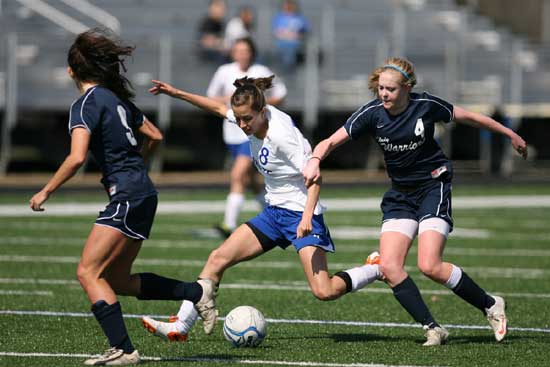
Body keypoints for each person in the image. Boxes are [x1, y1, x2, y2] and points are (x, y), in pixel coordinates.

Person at [302, 57, 528, 346]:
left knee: (429, 265)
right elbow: (330, 141)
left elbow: (470, 117)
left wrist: (509, 133)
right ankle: (433, 328)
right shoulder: (372, 113)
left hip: (433, 186)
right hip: (400, 195)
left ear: (407, 88)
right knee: (390, 267)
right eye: (381, 88)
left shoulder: (425, 106)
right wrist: (315, 159)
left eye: (391, 89)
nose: (384, 94)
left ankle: (490, 304)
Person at [141, 76, 382, 340]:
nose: (242, 125)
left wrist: (306, 218)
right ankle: (181, 326)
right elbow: (218, 108)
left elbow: (315, 178)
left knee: (324, 291)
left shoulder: (282, 137)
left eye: (247, 119)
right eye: (239, 119)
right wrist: (176, 92)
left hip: (302, 215)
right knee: (217, 258)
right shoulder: (248, 117)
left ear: (262, 112)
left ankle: (375, 268)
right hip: (274, 213)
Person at [29, 28, 216, 365]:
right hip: (142, 192)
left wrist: (46, 190)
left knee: (88, 273)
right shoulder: (117, 100)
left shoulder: (84, 104)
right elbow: (155, 135)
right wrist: (136, 165)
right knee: (116, 279)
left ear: (72, 71)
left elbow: (76, 157)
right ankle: (196, 292)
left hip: (128, 195)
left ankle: (124, 350)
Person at [206, 37, 287, 237]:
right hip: (232, 132)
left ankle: (228, 224)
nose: (242, 54)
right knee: (250, 180)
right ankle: (276, 216)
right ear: (233, 52)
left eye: (246, 50)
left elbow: (281, 93)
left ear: (252, 52)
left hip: (251, 133)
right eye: (238, 50)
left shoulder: (260, 71)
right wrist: (231, 99)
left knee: (237, 174)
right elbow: (211, 97)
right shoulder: (224, 71)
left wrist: (260, 106)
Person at [271, 0, 309, 69]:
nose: (289, 7)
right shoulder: (279, 18)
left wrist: (291, 35)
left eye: (290, 5)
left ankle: (289, 72)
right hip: (281, 44)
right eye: (287, 5)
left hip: (296, 45)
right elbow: (277, 33)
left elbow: (304, 32)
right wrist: (290, 34)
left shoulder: (300, 18)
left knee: (291, 52)